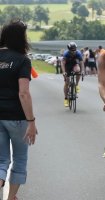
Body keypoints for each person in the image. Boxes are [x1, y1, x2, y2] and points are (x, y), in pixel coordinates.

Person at [0, 17, 38, 200]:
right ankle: (10, 198)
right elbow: (23, 93)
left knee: (1, 161)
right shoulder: (22, 60)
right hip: (16, 117)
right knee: (20, 159)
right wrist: (31, 122)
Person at [61, 42, 85, 107]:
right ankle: (66, 98)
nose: (74, 51)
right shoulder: (66, 54)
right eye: (72, 50)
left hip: (74, 65)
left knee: (78, 70)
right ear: (69, 50)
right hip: (67, 66)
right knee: (67, 82)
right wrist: (64, 72)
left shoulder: (78, 53)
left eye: (75, 49)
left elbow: (82, 63)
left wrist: (83, 71)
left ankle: (76, 84)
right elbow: (63, 64)